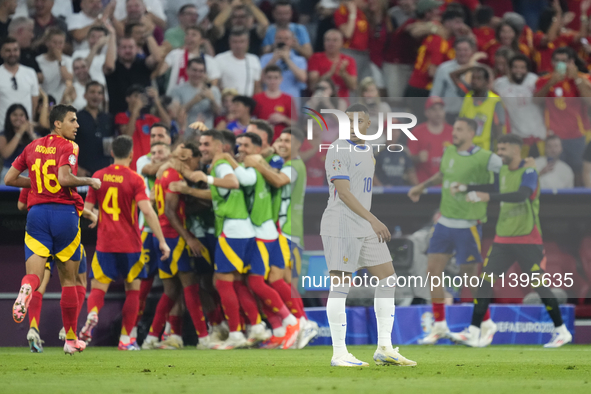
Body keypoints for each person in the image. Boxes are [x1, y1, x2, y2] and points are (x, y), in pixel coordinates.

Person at [448, 134, 573, 348]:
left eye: (503, 149)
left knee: (539, 285)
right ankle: (474, 331)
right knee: (484, 282)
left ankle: (562, 331)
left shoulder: (530, 171)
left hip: (527, 238)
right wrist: (466, 188)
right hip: (502, 239)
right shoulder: (503, 171)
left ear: (516, 150)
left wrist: (487, 197)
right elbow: (492, 186)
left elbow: (521, 195)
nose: (499, 153)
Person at [320, 103, 416, 367]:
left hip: (363, 225)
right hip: (341, 224)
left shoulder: (369, 150)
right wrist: (373, 219)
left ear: (368, 125)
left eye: (357, 122)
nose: (352, 126)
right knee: (340, 286)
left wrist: (369, 221)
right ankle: (339, 353)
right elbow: (344, 192)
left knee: (387, 279)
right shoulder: (338, 149)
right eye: (347, 122)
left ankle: (384, 347)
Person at [4, 104, 101, 355]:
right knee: (69, 280)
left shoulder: (31, 146)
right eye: (73, 120)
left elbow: (9, 180)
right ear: (58, 124)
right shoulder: (69, 146)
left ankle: (25, 289)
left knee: (35, 278)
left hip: (36, 216)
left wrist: (36, 185)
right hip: (64, 215)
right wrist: (89, 180)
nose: (77, 125)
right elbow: (65, 179)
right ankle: (70, 340)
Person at [407, 117, 502, 345]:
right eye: (455, 129)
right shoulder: (449, 152)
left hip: (468, 224)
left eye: (459, 129)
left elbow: (502, 179)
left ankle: (487, 323)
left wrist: (473, 189)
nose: (454, 133)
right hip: (445, 223)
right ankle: (439, 325)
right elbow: (443, 175)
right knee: (432, 272)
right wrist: (421, 186)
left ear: (471, 132)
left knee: (469, 278)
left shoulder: (485, 157)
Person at [79, 135, 170, 350]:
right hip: (131, 244)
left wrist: (96, 217)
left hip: (105, 243)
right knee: (133, 291)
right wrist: (163, 241)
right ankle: (126, 339)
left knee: (98, 288)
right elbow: (147, 211)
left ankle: (93, 313)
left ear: (112, 153)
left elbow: (86, 210)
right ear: (131, 154)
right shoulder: (135, 179)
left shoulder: (98, 176)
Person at [216, 132, 301, 348]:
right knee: (258, 281)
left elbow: (263, 179)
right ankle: (280, 327)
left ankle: (297, 322)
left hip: (268, 231)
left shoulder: (291, 166)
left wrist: (229, 160)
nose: (240, 148)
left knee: (269, 281)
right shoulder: (266, 163)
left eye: (245, 145)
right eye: (239, 144)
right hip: (266, 230)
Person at [142, 142, 214, 350]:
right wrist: (189, 238)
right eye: (195, 159)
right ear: (186, 158)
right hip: (173, 238)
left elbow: (162, 206)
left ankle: (152, 337)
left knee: (170, 290)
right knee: (190, 286)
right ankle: (203, 337)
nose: (196, 163)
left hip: (160, 236)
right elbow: (171, 213)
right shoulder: (174, 176)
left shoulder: (163, 175)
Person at [16, 188, 93, 353]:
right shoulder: (64, 168)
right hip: (65, 225)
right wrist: (90, 209)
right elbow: (68, 198)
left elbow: (21, 204)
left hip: (39, 228)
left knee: (37, 281)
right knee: (74, 280)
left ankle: (33, 328)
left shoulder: (33, 173)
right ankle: (69, 330)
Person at [534, 47, 591, 185]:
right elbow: (536, 101)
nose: (561, 64)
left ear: (571, 62)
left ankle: (579, 201)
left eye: (564, 61)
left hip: (578, 134)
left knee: (579, 170)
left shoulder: (584, 79)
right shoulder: (544, 80)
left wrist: (576, 78)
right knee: (555, 169)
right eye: (557, 61)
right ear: (552, 62)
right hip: (554, 136)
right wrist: (551, 82)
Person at [382, 0, 440, 101]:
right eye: (436, 10)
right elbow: (415, 32)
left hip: (409, 65)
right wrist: (434, 28)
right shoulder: (412, 22)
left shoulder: (426, 24)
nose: (439, 12)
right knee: (396, 98)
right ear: (427, 13)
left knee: (404, 99)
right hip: (395, 65)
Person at [404, 8, 466, 99]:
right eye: (457, 22)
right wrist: (454, 79)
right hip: (421, 89)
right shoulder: (438, 40)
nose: (461, 26)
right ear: (447, 23)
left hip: (424, 87)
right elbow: (432, 72)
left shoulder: (450, 40)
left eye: (462, 23)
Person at [493, 54, 546, 156]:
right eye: (515, 67)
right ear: (509, 68)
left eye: (522, 68)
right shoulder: (499, 84)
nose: (519, 71)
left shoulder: (534, 80)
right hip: (517, 137)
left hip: (539, 135)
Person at [114, 85, 169, 171]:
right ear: (127, 99)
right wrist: (135, 110)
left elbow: (167, 124)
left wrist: (157, 102)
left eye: (141, 97)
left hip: (149, 167)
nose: (139, 99)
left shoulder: (149, 118)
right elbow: (127, 135)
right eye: (136, 96)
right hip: (131, 167)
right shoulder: (121, 116)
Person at [454, 66, 505, 151]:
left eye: (479, 78)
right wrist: (471, 66)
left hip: (485, 151)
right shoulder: (467, 95)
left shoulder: (495, 102)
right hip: (465, 150)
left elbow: (499, 131)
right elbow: (454, 76)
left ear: (486, 82)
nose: (474, 81)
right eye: (473, 78)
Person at [103, 35, 158, 114]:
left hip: (144, 116)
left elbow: (157, 59)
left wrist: (148, 35)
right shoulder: (113, 66)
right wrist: (112, 35)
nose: (127, 50)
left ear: (136, 49)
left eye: (131, 47)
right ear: (117, 50)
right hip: (118, 115)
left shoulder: (143, 64)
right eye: (124, 47)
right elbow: (108, 66)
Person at [533, 0, 589, 75]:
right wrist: (558, 14)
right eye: (557, 20)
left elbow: (582, 35)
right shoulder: (538, 36)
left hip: (564, 75)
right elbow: (550, 38)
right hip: (545, 75)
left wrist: (583, 13)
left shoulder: (563, 37)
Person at [161, 25, 220, 96]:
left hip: (198, 100)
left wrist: (204, 78)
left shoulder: (209, 61)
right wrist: (163, 54)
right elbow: (160, 72)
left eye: (193, 35)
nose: (189, 37)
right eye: (187, 34)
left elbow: (213, 85)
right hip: (174, 99)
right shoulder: (175, 54)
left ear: (201, 41)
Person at [430, 37, 478, 123]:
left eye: (465, 50)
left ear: (472, 51)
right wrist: (437, 114)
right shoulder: (443, 69)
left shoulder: (479, 69)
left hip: (473, 115)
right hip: (448, 115)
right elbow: (435, 95)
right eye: (459, 50)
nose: (462, 53)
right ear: (454, 50)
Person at [407, 97, 454, 184]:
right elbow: (408, 162)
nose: (438, 113)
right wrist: (418, 158)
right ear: (427, 113)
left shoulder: (453, 132)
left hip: (447, 186)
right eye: (434, 109)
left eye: (441, 109)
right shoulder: (417, 132)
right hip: (425, 187)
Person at [0, 37, 39, 131]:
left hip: (26, 129)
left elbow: (35, 102)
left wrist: (30, 122)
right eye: (8, 51)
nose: (12, 54)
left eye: (15, 50)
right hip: (3, 129)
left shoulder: (30, 72)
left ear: (19, 51)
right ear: (1, 53)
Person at [170, 58, 221, 129]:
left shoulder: (214, 90)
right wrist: (195, 100)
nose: (197, 74)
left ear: (205, 73)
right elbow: (175, 114)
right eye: (194, 70)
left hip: (206, 135)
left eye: (201, 71)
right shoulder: (177, 90)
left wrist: (212, 100)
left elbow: (218, 113)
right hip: (185, 134)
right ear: (187, 70)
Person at [75, 81, 114, 176]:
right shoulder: (76, 117)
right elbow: (66, 147)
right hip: (84, 173)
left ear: (103, 97)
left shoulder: (108, 118)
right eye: (92, 92)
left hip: (105, 173)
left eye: (99, 93)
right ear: (85, 95)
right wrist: (76, 168)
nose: (96, 95)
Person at [260, 27, 307, 99]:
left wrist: (287, 60)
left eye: (286, 39)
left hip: (292, 99)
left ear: (292, 41)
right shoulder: (265, 58)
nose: (282, 41)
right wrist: (274, 59)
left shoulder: (300, 60)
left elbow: (303, 78)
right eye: (279, 38)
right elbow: (260, 79)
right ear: (274, 40)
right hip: (270, 98)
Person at [308, 29, 357, 98]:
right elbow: (312, 86)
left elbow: (353, 87)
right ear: (324, 42)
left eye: (335, 40)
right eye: (328, 40)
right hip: (320, 101)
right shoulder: (315, 58)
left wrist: (344, 74)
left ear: (341, 43)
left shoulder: (349, 60)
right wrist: (329, 73)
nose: (331, 43)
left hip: (342, 102)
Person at [215, 28, 262, 97]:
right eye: (235, 42)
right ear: (230, 42)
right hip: (227, 103)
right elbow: (215, 84)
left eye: (241, 42)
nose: (238, 45)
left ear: (247, 42)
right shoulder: (219, 59)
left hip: (247, 103)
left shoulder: (254, 59)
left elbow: (257, 85)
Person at [252, 65, 293, 141]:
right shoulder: (257, 98)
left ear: (281, 79)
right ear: (264, 79)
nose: (272, 81)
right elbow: (250, 121)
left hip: (281, 141)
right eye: (269, 78)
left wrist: (284, 119)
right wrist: (266, 123)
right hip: (261, 140)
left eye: (276, 78)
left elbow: (296, 124)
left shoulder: (288, 99)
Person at [0, 104, 39, 184]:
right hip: (9, 173)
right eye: (15, 115)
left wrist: (31, 134)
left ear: (26, 118)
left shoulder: (31, 135)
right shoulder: (3, 135)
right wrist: (20, 132)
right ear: (9, 117)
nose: (18, 118)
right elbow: (5, 154)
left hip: (29, 175)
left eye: (21, 115)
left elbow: (45, 151)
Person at [334, 0, 371, 81]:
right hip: (350, 52)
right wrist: (352, 13)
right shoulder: (341, 12)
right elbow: (348, 33)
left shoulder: (362, 12)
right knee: (352, 84)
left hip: (365, 54)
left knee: (365, 84)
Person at [4, 17, 42, 83]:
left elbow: (40, 77)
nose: (32, 36)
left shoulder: (28, 53)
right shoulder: (2, 50)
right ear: (20, 31)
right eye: (30, 31)